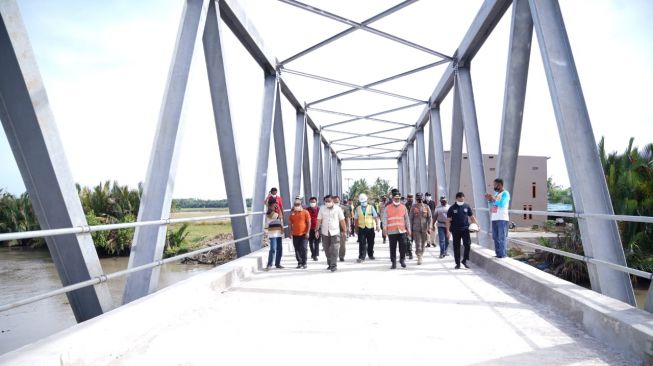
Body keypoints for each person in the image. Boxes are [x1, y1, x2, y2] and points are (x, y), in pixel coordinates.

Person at [446, 192, 479, 269]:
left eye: (463, 197)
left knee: (467, 245)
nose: (462, 199)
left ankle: (464, 260)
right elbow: (448, 220)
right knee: (456, 247)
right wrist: (447, 231)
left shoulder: (467, 206)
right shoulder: (452, 208)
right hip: (455, 230)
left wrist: (477, 225)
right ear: (457, 198)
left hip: (465, 229)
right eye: (460, 197)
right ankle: (457, 263)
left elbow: (472, 217)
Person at [316, 195, 346, 272]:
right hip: (325, 232)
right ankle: (330, 263)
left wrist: (344, 231)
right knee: (326, 249)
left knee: (335, 249)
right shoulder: (322, 209)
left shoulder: (338, 209)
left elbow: (342, 220)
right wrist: (316, 230)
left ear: (332, 201)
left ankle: (333, 265)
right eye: (326, 201)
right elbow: (319, 220)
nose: (327, 202)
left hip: (335, 232)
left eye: (329, 201)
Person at [382, 191, 411, 269]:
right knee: (392, 248)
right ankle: (393, 263)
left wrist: (409, 229)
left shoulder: (403, 207)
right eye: (396, 198)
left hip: (402, 231)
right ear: (392, 198)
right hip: (392, 231)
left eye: (398, 198)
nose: (397, 200)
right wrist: (384, 228)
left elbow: (407, 219)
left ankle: (402, 260)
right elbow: (384, 218)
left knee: (403, 246)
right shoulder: (387, 208)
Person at [485, 178, 511, 258]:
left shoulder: (505, 193)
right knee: (495, 237)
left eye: (495, 185)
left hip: (502, 218)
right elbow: (493, 206)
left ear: (500, 185)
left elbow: (502, 204)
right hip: (495, 218)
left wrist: (493, 199)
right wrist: (489, 200)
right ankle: (498, 253)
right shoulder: (496, 194)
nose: (494, 186)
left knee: (501, 237)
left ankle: (502, 254)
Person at [354, 193, 379, 262]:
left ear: (367, 200)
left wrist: (377, 225)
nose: (363, 203)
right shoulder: (357, 209)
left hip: (370, 228)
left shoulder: (371, 207)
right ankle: (361, 257)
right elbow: (356, 219)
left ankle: (370, 254)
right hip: (361, 228)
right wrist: (356, 228)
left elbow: (375, 217)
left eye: (364, 201)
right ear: (360, 202)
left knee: (371, 242)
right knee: (362, 242)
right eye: (362, 202)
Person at [409, 193, 432, 265]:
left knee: (423, 243)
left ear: (422, 198)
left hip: (424, 228)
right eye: (418, 198)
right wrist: (410, 229)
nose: (419, 199)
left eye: (420, 198)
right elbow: (410, 218)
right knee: (418, 243)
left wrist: (429, 227)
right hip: (416, 228)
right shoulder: (413, 207)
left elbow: (430, 218)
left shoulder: (426, 207)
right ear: (416, 198)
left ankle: (421, 254)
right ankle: (419, 256)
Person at [288, 198, 311, 269]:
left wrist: (307, 232)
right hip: (295, 234)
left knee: (304, 248)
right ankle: (299, 262)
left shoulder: (305, 212)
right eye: (295, 205)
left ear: (301, 205)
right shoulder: (292, 213)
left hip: (304, 234)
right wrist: (290, 232)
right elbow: (289, 223)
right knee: (297, 249)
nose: (297, 206)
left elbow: (309, 222)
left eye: (298, 204)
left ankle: (304, 262)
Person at [264, 198, 284, 271]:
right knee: (273, 249)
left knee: (279, 249)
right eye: (274, 204)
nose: (275, 206)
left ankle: (277, 263)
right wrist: (278, 207)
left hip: (278, 233)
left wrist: (282, 229)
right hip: (272, 234)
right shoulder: (269, 212)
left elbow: (279, 221)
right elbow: (281, 217)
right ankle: (269, 264)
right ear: (270, 205)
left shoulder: (275, 212)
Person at [332, 195, 347, 261]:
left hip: (341, 229)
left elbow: (347, 218)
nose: (336, 203)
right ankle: (334, 257)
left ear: (339, 201)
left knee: (342, 244)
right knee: (333, 245)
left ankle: (341, 256)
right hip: (332, 229)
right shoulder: (329, 208)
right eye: (334, 202)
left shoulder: (344, 208)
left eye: (337, 202)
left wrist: (347, 228)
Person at [306, 196, 320, 261]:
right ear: (309, 202)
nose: (312, 203)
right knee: (311, 242)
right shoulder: (307, 210)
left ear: (316, 202)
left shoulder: (319, 209)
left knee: (317, 241)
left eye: (314, 202)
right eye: (311, 202)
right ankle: (313, 254)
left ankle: (316, 254)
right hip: (309, 228)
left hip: (317, 227)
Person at [404, 193, 414, 259]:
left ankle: (408, 250)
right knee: (408, 239)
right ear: (407, 198)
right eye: (409, 197)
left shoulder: (415, 206)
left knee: (411, 239)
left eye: (411, 197)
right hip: (407, 225)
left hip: (414, 225)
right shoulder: (404, 206)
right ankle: (409, 252)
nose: (410, 198)